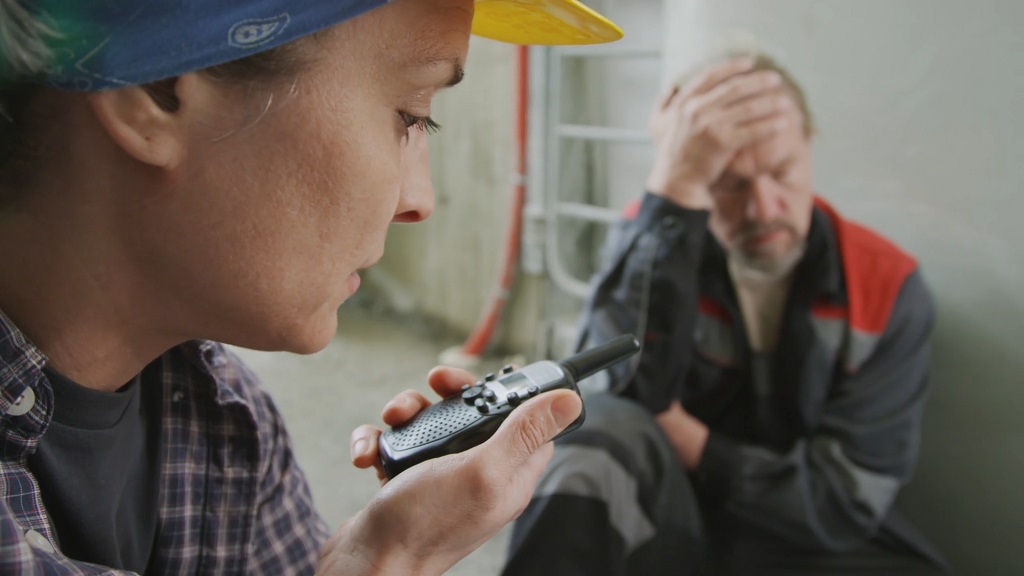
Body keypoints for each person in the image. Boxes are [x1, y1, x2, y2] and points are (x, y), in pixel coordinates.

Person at [0, 0, 623, 574]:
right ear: (152, 88)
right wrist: (393, 559)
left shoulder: (228, 418)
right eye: (411, 114)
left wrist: (364, 554)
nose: (419, 201)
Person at [502, 53, 952, 575]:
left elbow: (844, 502)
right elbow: (607, 404)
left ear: (809, 145)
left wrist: (694, 443)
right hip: (669, 517)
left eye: (781, 172)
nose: (763, 207)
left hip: (799, 545)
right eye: (731, 183)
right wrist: (671, 188)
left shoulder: (884, 286)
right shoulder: (655, 245)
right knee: (590, 449)